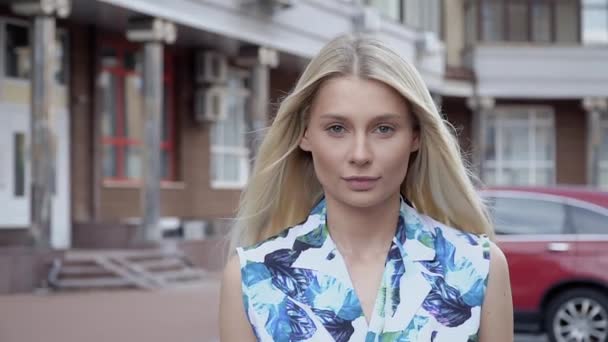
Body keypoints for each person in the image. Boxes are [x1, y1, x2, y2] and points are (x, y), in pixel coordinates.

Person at [219, 34, 513, 341]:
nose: (360, 155)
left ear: (415, 136)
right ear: (305, 135)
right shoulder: (250, 277)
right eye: (337, 128)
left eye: (383, 129)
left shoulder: (481, 267)